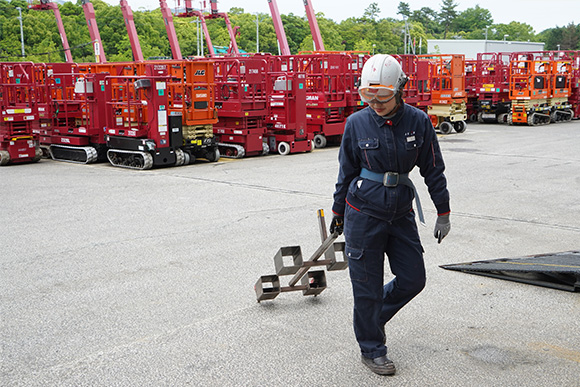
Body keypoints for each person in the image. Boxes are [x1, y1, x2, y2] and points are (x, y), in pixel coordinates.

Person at [329, 54, 451, 376]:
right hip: (362, 214)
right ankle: (372, 349)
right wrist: (338, 211)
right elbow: (346, 172)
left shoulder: (418, 121)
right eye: (368, 96)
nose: (375, 103)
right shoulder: (356, 123)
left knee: (413, 279)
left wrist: (443, 211)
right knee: (366, 287)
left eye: (382, 96)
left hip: (400, 213)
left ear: (400, 90)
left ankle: (371, 316)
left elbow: (433, 169)